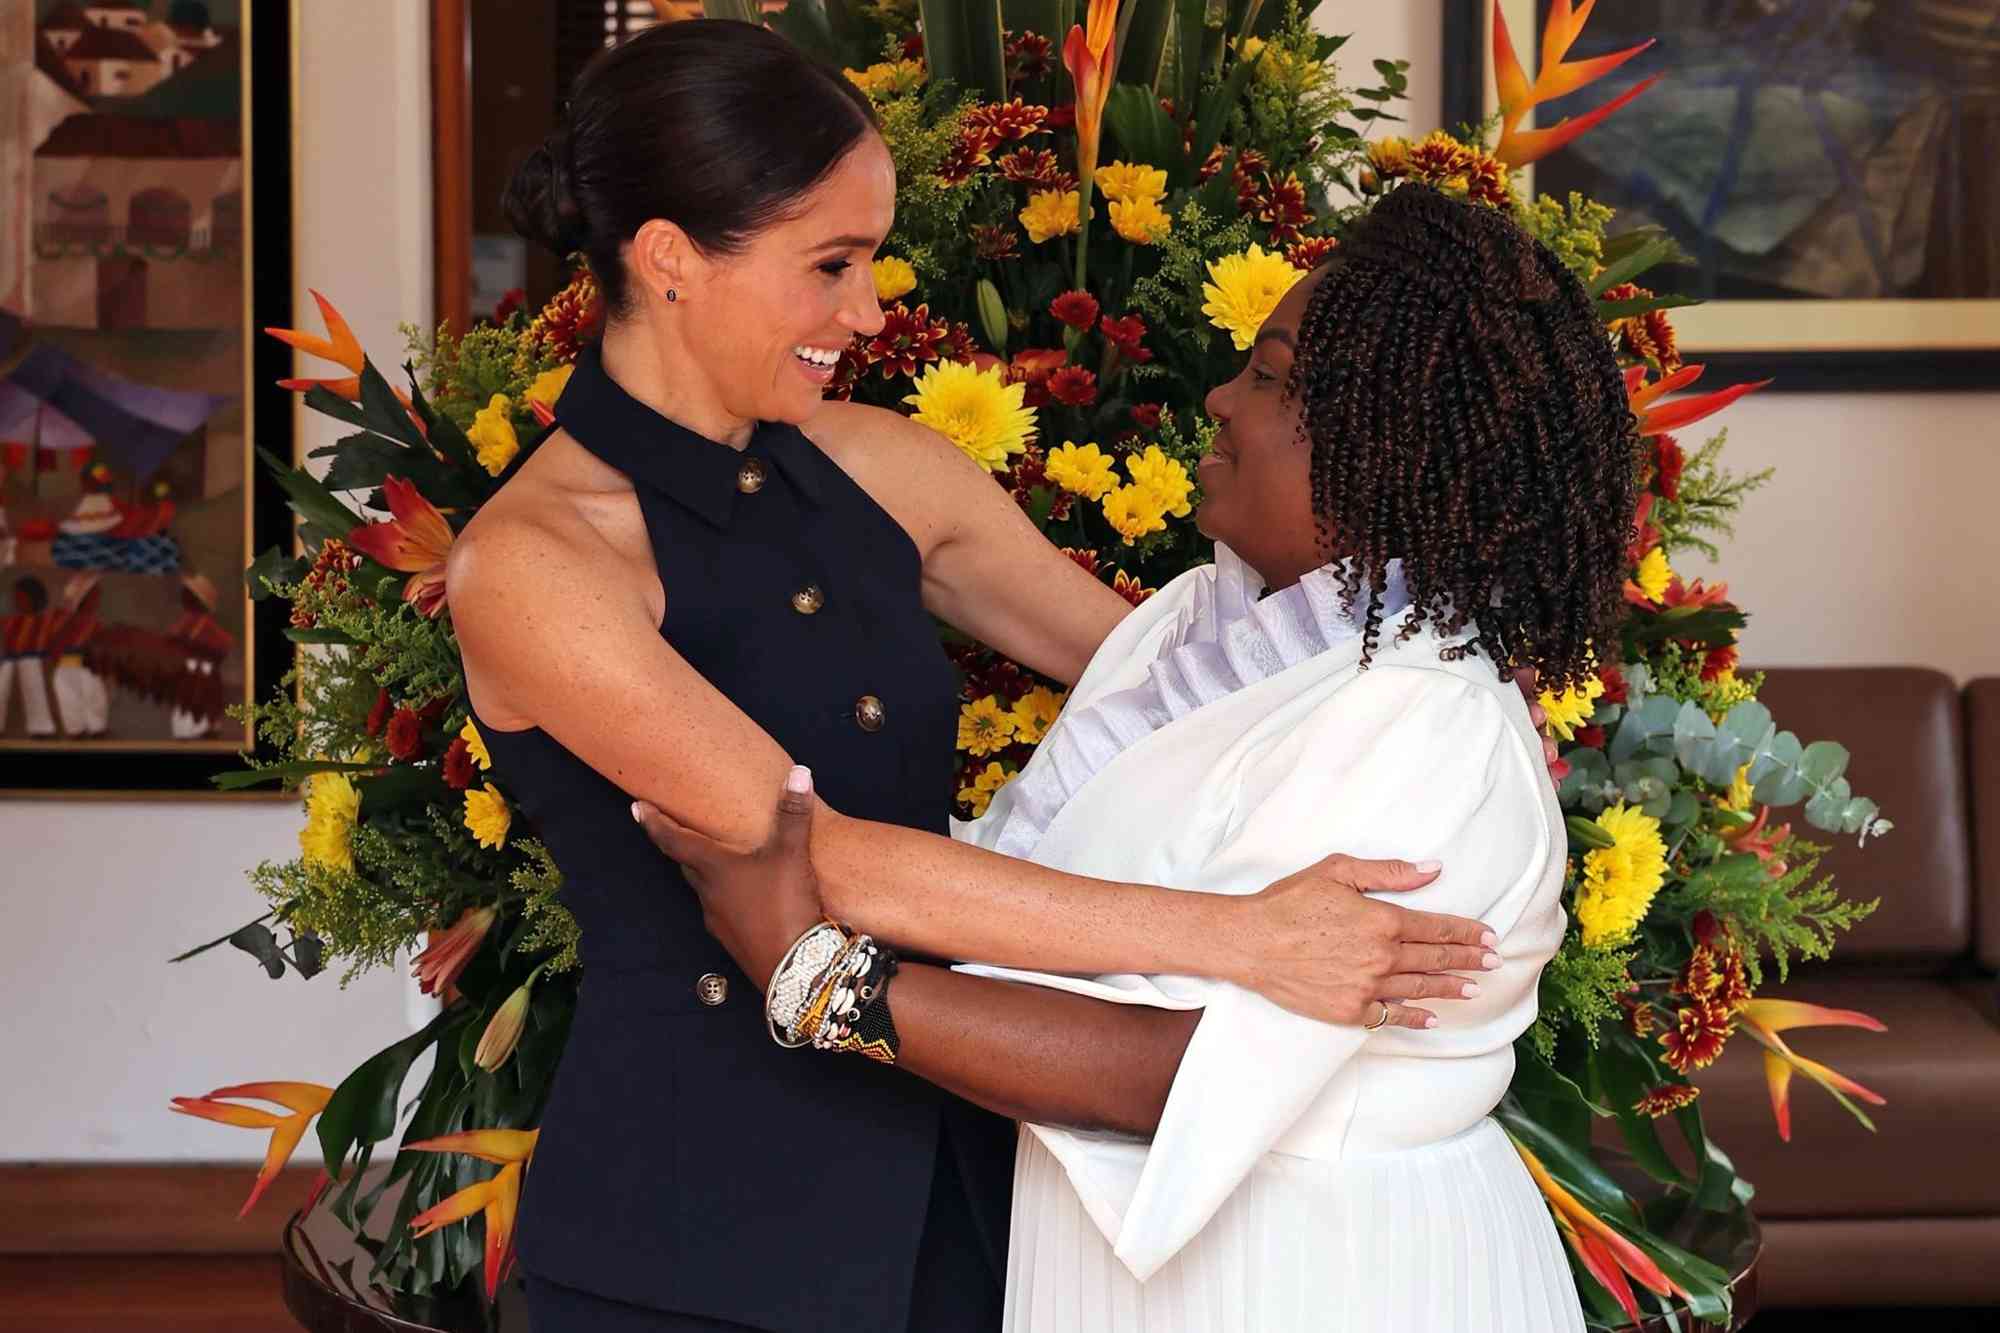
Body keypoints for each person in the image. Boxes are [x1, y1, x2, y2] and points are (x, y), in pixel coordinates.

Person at [451, 21, 1545, 1332]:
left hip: (972, 1188)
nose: (868, 311)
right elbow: (816, 858)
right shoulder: (531, 562)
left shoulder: (885, 469)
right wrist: (1245, 939)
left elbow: (1187, 685)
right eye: (831, 265)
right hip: (695, 1224)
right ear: (671, 260)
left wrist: (1452, 680)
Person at [643, 182, 1636, 1331]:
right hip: (1131, 1260)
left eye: (1264, 377)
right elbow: (1038, 896)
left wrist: (813, 975)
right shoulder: (1192, 626)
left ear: (1382, 445)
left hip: (1320, 1276)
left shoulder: (1425, 729)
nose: (1217, 397)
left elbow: (1171, 1072)